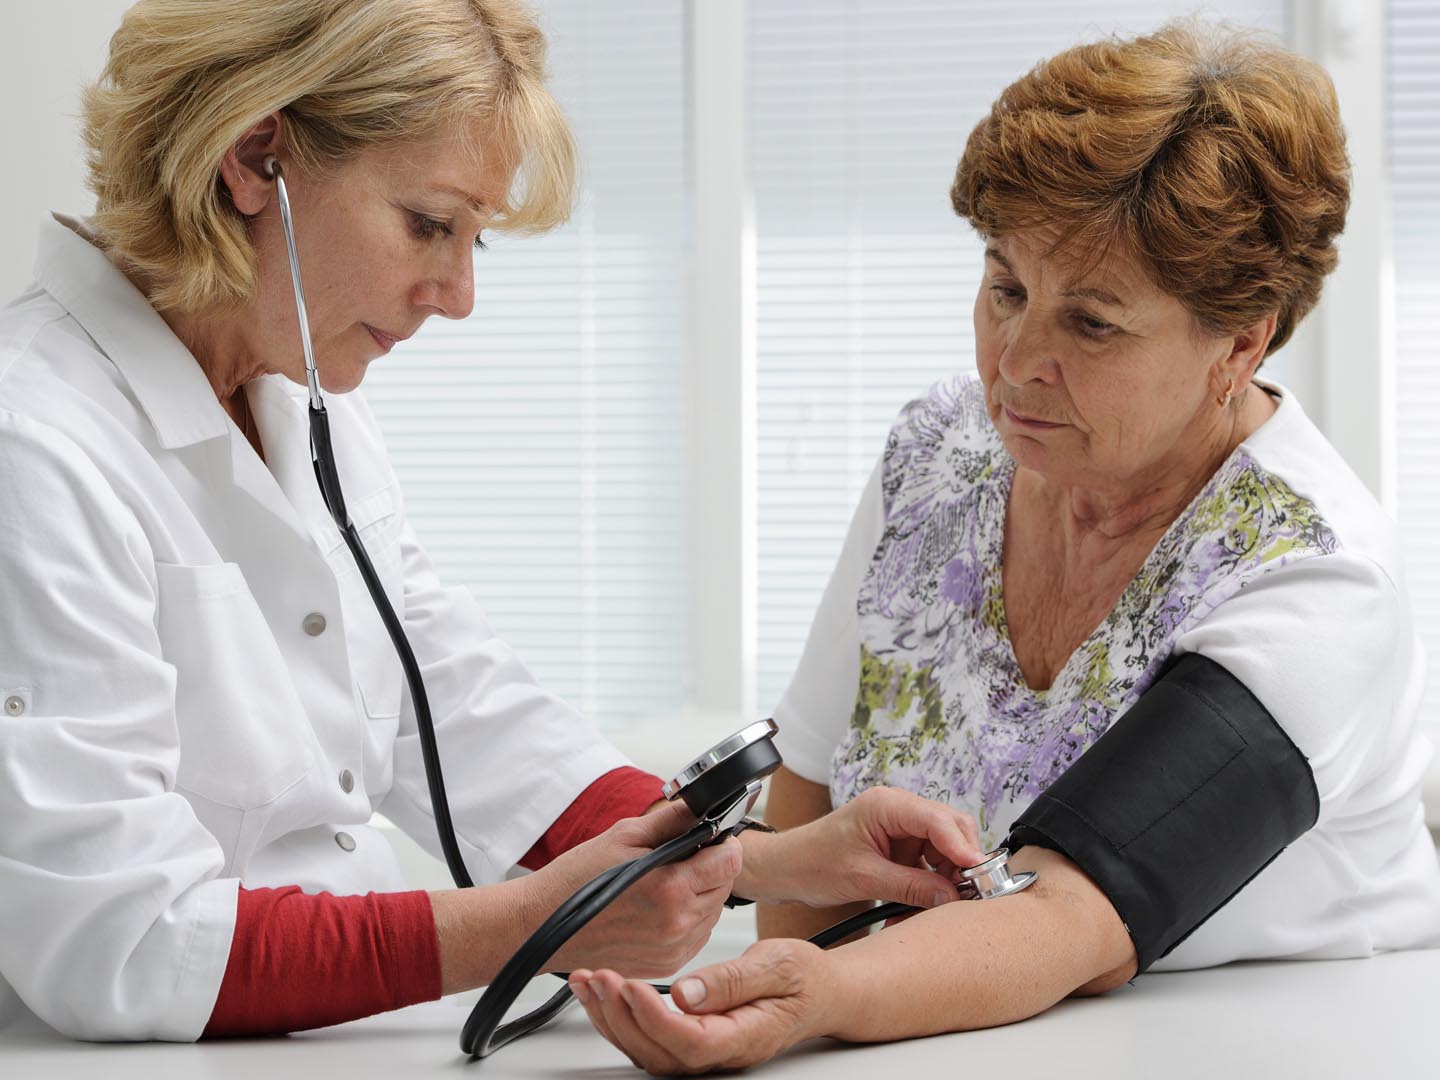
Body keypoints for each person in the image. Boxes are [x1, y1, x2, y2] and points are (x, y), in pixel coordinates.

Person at [0, 0, 987, 1042]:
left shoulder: (300, 396)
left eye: (475, 239)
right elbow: (121, 942)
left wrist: (766, 855)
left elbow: (454, 706)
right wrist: (543, 922)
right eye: (430, 224)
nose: (459, 294)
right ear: (255, 160)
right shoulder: (37, 444)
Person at [567, 21, 1440, 1074]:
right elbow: (808, 792)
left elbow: (1073, 911)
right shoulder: (939, 454)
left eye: (1095, 325)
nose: (1019, 362)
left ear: (1241, 340)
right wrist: (754, 1010)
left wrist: (809, 1002)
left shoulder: (1315, 577)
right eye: (1007, 287)